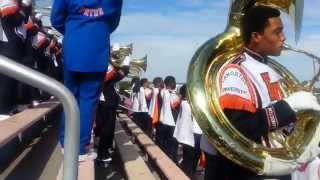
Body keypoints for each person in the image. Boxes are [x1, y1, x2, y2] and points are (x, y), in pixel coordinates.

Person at [201, 5, 320, 180]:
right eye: (277, 32)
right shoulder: (235, 70)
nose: (283, 37)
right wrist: (289, 106)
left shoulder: (270, 68)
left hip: (277, 168)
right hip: (247, 173)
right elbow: (237, 128)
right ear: (256, 36)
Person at [51, 0, 123, 160]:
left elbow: (56, 19)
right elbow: (114, 21)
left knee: (69, 97)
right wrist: (98, 29)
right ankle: (80, 148)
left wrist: (73, 29)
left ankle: (65, 142)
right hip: (97, 50)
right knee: (88, 101)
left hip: (73, 48)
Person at [95, 54, 130, 163]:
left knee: (108, 129)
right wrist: (125, 67)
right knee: (106, 130)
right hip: (106, 103)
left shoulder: (108, 66)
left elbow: (116, 76)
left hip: (108, 103)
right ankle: (102, 154)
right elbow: (115, 76)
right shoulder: (105, 66)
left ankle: (105, 150)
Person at [173, 84, 202, 178]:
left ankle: (189, 173)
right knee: (191, 159)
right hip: (192, 136)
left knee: (189, 158)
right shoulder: (187, 104)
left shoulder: (184, 103)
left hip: (190, 136)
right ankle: (189, 175)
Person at [156, 75, 180, 163]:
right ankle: (173, 161)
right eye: (173, 82)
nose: (175, 84)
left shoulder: (162, 92)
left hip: (162, 123)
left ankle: (165, 161)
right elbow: (175, 105)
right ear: (170, 84)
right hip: (172, 124)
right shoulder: (168, 93)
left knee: (164, 145)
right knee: (173, 145)